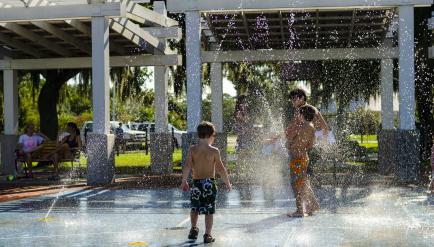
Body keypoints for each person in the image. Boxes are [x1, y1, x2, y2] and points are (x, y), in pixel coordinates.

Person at [181, 121, 232, 243]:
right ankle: (207, 235)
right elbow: (220, 168)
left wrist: (184, 181)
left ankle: (194, 229)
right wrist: (227, 182)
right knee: (209, 211)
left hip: (196, 183)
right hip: (209, 183)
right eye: (214, 136)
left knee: (195, 208)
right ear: (210, 135)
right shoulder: (214, 151)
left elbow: (187, 166)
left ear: (199, 135)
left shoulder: (193, 150)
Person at [286, 105, 320, 217]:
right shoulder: (311, 127)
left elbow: (291, 140)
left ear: (302, 115)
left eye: (299, 114)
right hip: (304, 157)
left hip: (297, 159)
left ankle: (300, 210)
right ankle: (312, 205)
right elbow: (311, 144)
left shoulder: (301, 127)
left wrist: (290, 143)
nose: (297, 116)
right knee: (303, 182)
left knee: (297, 185)